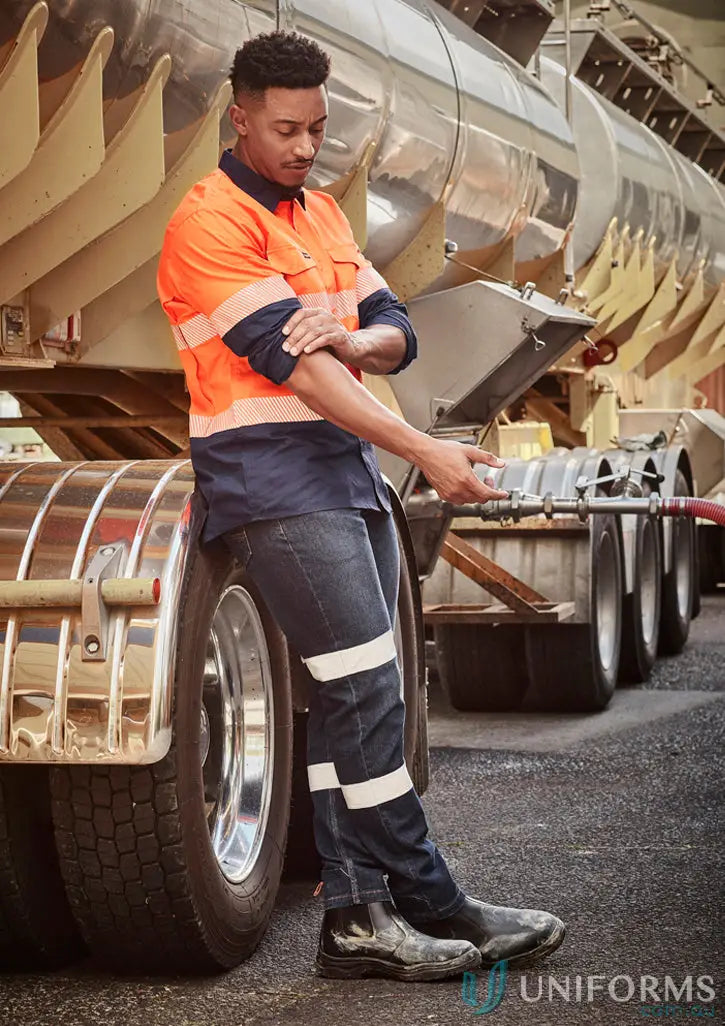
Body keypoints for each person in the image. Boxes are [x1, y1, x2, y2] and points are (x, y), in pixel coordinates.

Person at [157, 29, 565, 982]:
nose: (305, 146)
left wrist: (348, 336)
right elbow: (300, 373)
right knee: (366, 691)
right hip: (273, 481)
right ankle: (433, 897)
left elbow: (394, 330)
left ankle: (355, 919)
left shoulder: (321, 218)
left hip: (342, 472)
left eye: (317, 127)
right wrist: (423, 447)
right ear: (240, 118)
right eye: (286, 129)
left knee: (355, 699)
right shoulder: (209, 223)